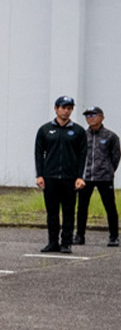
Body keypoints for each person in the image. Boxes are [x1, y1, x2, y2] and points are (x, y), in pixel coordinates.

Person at [34, 96, 88, 252]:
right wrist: (39, 175)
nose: (66, 111)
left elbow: (82, 155)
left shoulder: (77, 131)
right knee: (52, 212)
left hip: (69, 178)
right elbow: (39, 153)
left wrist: (80, 176)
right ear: (56, 108)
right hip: (50, 177)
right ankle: (52, 242)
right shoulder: (45, 130)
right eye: (63, 107)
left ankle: (66, 243)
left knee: (69, 211)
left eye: (69, 108)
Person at [75, 106, 117, 247]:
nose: (90, 118)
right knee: (82, 207)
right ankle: (80, 236)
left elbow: (115, 156)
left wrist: (109, 170)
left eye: (93, 115)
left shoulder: (110, 136)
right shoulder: (82, 135)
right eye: (87, 116)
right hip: (85, 177)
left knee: (110, 207)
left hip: (104, 177)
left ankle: (114, 237)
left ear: (101, 117)